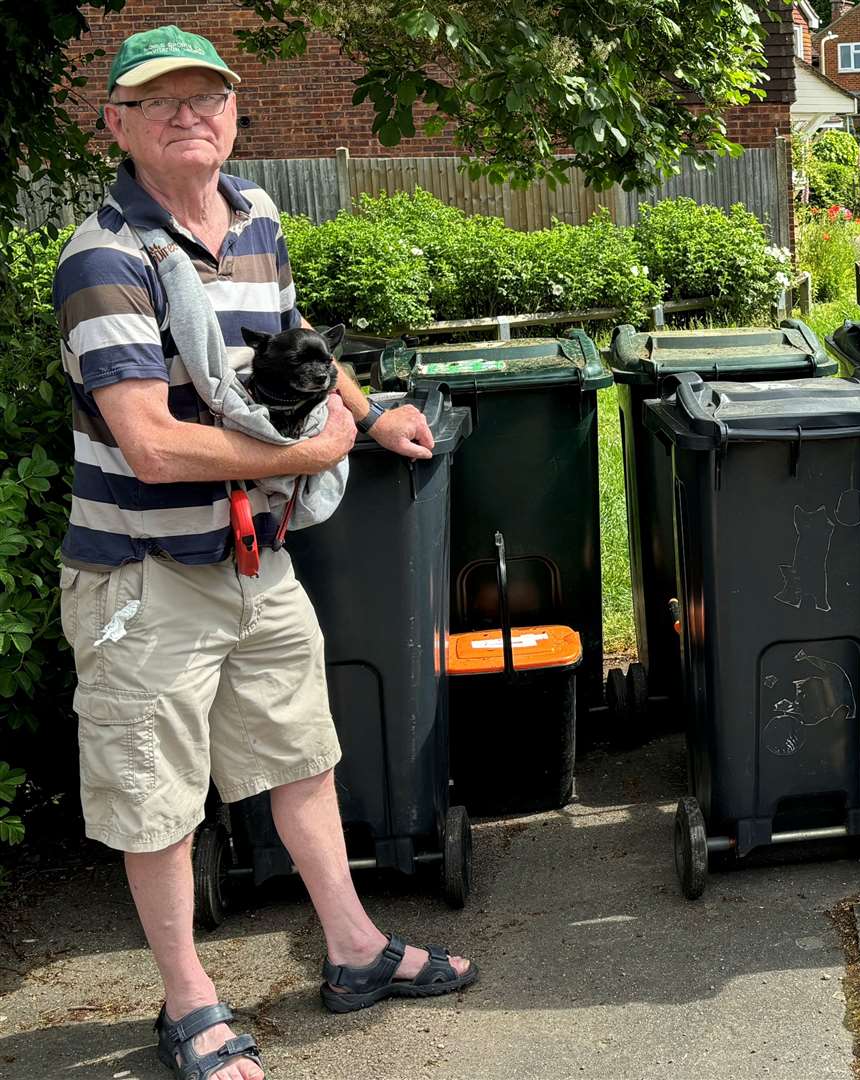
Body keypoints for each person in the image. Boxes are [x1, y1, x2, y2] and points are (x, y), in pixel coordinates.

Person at [54, 25, 475, 1080]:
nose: (189, 116)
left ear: (236, 114)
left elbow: (297, 343)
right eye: (160, 102)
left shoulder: (256, 217)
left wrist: (367, 417)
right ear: (118, 125)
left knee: (301, 757)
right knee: (157, 803)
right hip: (144, 582)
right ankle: (188, 1003)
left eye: (207, 98)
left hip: (253, 559)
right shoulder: (104, 257)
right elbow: (148, 443)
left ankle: (355, 948)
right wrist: (306, 446)